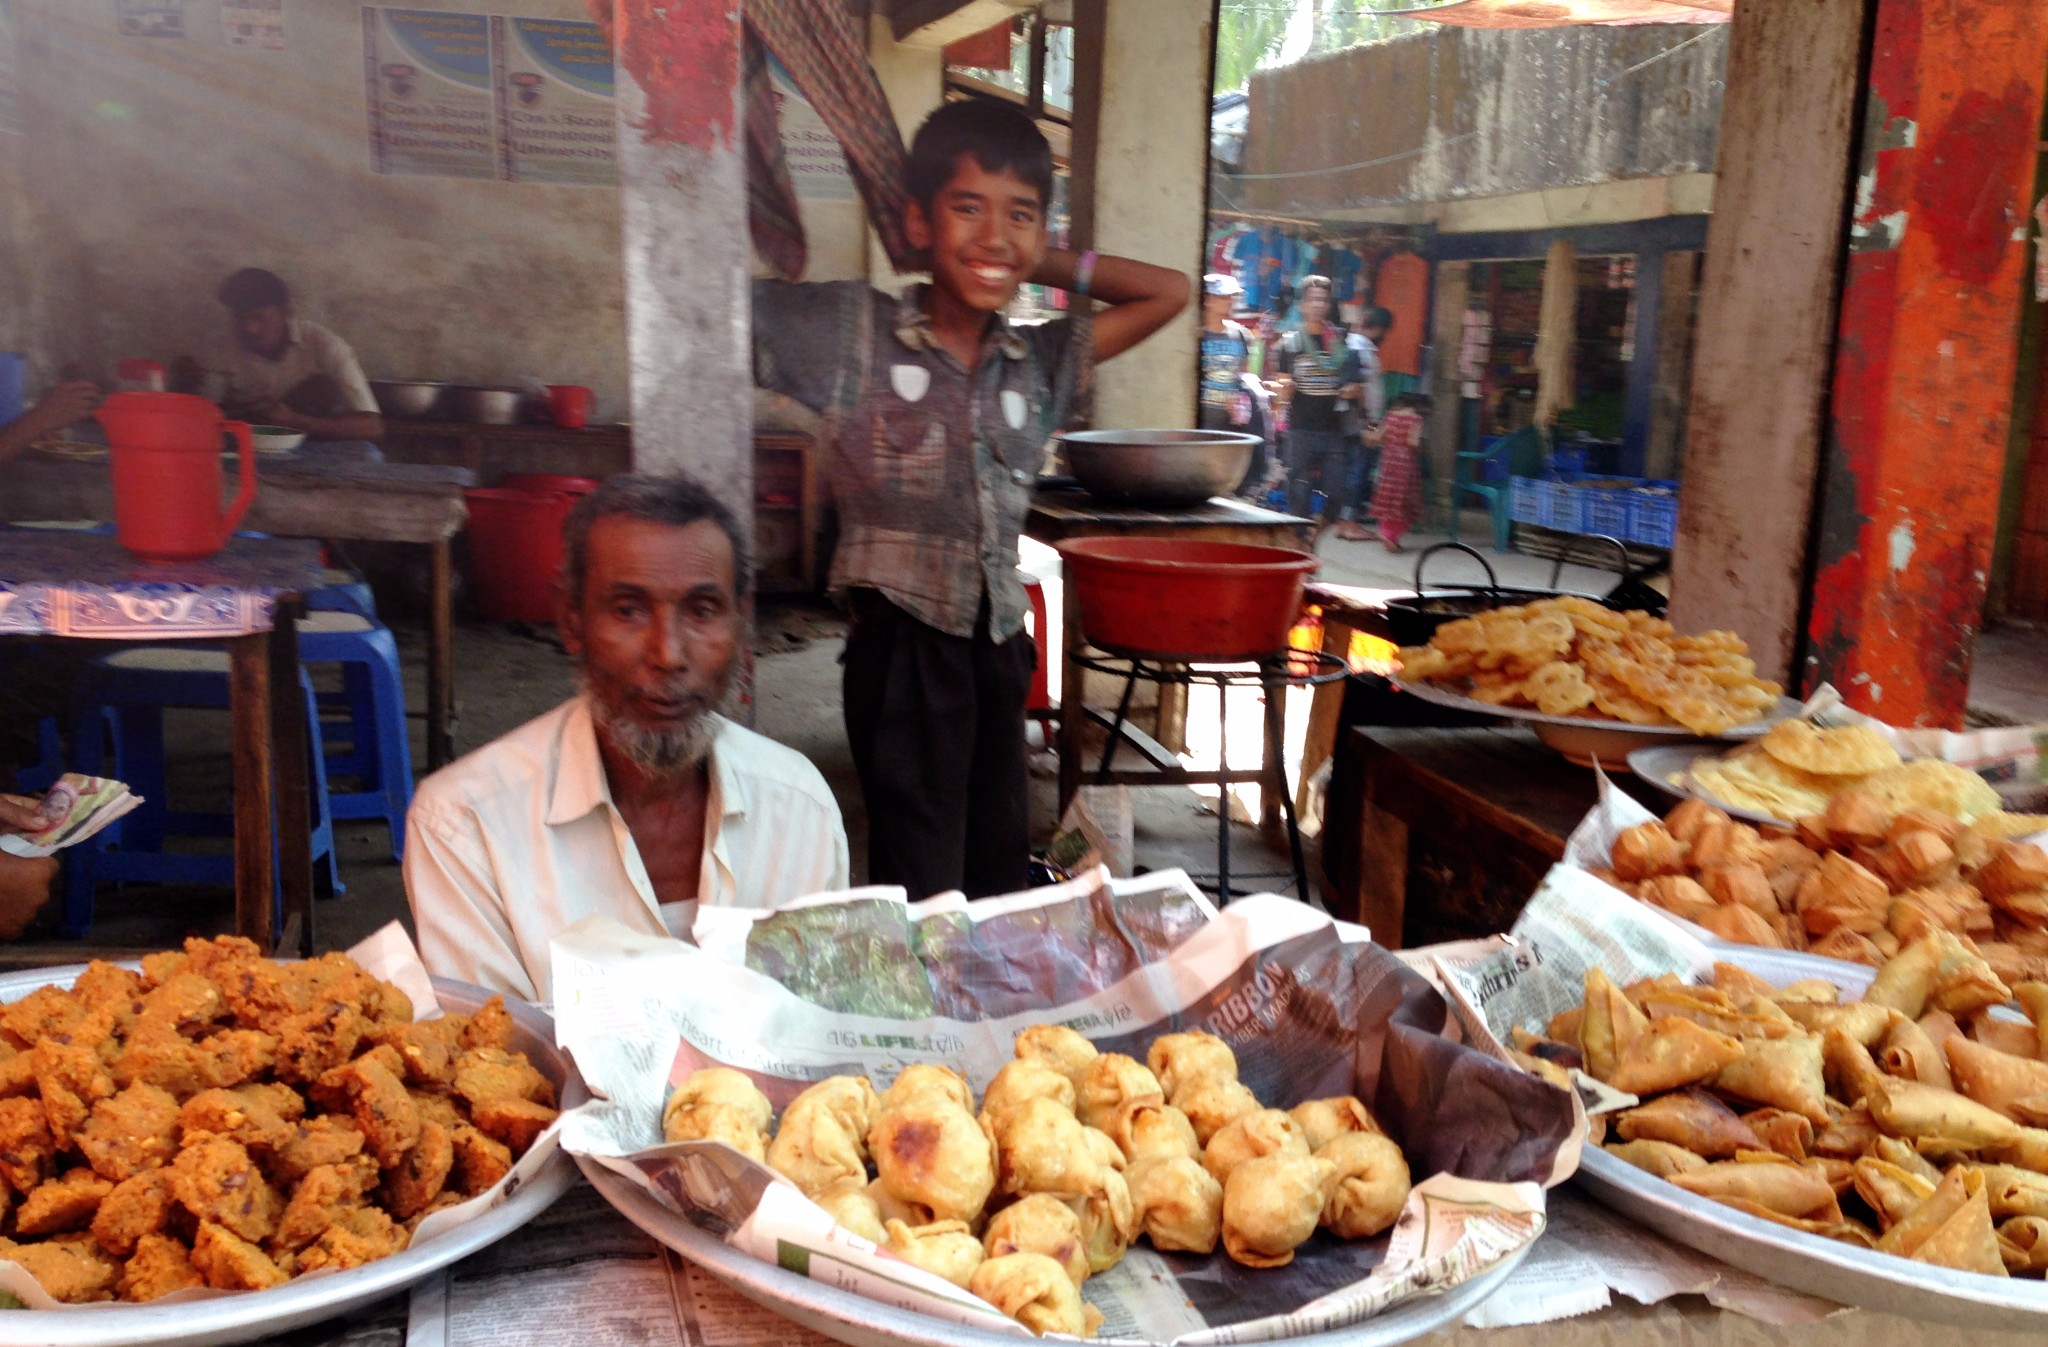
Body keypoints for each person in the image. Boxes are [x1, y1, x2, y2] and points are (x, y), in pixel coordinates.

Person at [753, 98, 1188, 901]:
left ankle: (987, 1018)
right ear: (917, 222)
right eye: (967, 209)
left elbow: (1168, 291)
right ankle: (924, 1024)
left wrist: (1032, 257)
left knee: (995, 869)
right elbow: (713, 306)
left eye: (1018, 214)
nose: (993, 235)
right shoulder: (857, 334)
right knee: (921, 878)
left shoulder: (1040, 364)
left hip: (996, 648)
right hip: (903, 648)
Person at [404, 474, 850, 1002]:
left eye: (701, 611)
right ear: (571, 618)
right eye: (629, 610)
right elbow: (491, 1059)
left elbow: (826, 1029)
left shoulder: (800, 807)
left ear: (741, 621)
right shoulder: (465, 823)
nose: (668, 654)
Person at [188, 268, 386, 459]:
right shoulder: (221, 347)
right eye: (240, 319)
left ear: (285, 312)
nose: (250, 328)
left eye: (259, 317)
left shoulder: (325, 345)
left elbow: (372, 427)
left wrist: (296, 421)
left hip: (316, 446)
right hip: (251, 450)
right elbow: (207, 419)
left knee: (368, 456)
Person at [1273, 275, 1360, 533]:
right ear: (1302, 305)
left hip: (1334, 430)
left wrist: (1353, 390)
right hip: (1300, 429)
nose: (1318, 305)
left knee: (1338, 492)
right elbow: (1282, 391)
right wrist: (1284, 390)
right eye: (1312, 299)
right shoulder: (1289, 344)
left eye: (1323, 299)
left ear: (1329, 304)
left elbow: (1355, 383)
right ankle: (1302, 547)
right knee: (1298, 495)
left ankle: (1314, 535)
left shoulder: (1340, 342)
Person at [1336, 306, 1392, 542]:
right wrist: (1370, 425)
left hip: (1355, 422)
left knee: (1353, 471)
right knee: (1357, 472)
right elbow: (1354, 390)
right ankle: (1348, 524)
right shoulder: (1358, 350)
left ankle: (1346, 521)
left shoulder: (1356, 347)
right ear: (1379, 329)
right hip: (1358, 422)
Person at [1369, 391, 1433, 553]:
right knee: (1403, 499)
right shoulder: (1416, 419)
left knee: (1387, 495)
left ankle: (1387, 533)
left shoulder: (1391, 415)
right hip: (1405, 462)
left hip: (1388, 460)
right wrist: (1423, 449)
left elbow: (1377, 438)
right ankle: (1390, 536)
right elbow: (1413, 442)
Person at [1197, 274, 1257, 434]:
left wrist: (1241, 403)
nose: (1229, 301)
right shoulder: (1195, 335)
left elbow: (1244, 375)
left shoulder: (1241, 334)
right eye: (1223, 296)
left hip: (1230, 425)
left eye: (1231, 296)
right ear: (1206, 300)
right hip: (1200, 423)